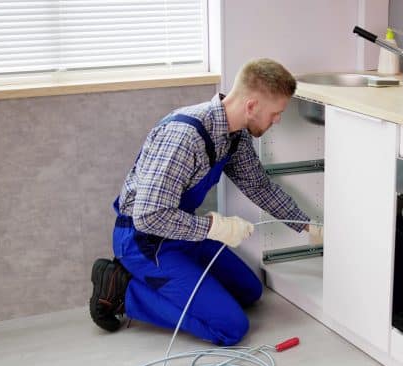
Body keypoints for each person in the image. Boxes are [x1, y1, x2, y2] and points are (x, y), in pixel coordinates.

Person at [89, 58, 322, 346]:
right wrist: (216, 227)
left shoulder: (233, 135)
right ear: (251, 106)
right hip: (144, 242)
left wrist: (306, 225)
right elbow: (148, 216)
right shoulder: (185, 137)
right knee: (231, 327)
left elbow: (258, 186)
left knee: (249, 292)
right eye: (275, 113)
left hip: (182, 233)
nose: (278, 120)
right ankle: (123, 291)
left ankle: (180, 283)